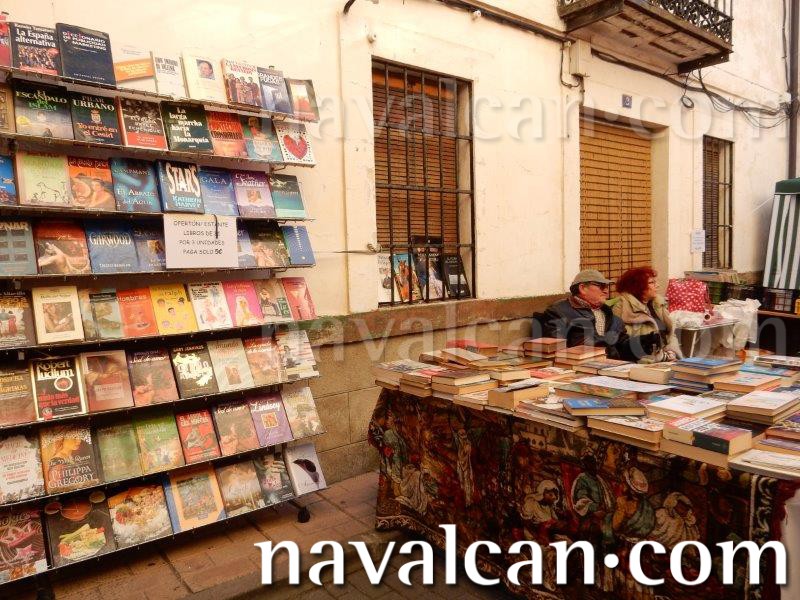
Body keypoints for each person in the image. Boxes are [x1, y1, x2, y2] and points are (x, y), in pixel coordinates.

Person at [535, 270, 661, 361]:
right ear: (583, 288)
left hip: (611, 370)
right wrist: (606, 346)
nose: (606, 290)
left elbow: (622, 348)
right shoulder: (559, 312)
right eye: (601, 286)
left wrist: (642, 343)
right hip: (581, 370)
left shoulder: (612, 318)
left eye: (607, 286)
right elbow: (558, 350)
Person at [608, 267, 683, 362]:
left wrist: (672, 353)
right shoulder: (622, 308)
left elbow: (670, 334)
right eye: (652, 283)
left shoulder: (657, 304)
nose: (657, 285)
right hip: (644, 363)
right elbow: (624, 344)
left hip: (667, 359)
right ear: (637, 286)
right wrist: (663, 357)